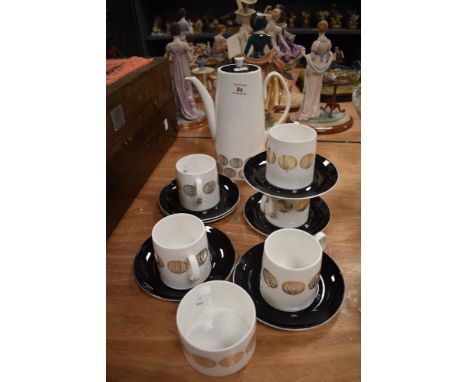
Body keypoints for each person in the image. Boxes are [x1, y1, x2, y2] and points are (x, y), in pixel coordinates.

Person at [296, 20, 334, 121]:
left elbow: (311, 57)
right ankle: (314, 111)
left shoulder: (316, 43)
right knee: (317, 90)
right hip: (321, 69)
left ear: (318, 29)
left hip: (313, 70)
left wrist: (303, 53)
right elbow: (329, 54)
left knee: (310, 91)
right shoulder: (329, 42)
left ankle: (307, 112)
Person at [165, 22, 202, 122]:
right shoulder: (184, 45)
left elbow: (166, 59)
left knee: (178, 88)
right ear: (179, 31)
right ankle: (190, 109)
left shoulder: (169, 46)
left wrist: (171, 61)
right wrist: (196, 56)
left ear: (171, 32)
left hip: (175, 69)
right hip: (184, 68)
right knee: (186, 87)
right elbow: (190, 59)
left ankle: (181, 110)